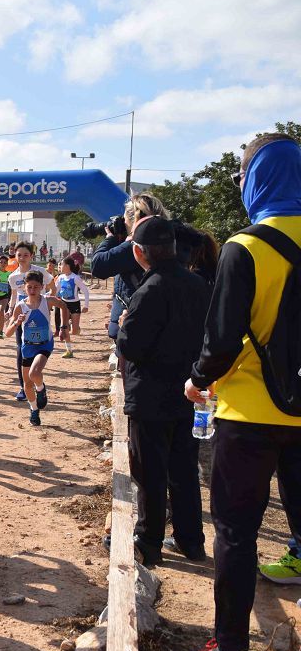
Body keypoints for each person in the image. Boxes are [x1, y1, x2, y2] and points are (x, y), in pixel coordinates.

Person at [185, 134, 301, 651]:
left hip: (250, 414)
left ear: (257, 180)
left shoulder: (245, 247)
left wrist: (197, 381)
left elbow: (222, 339)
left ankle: (228, 649)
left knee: (236, 531)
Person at [116, 217, 208, 568]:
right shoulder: (198, 285)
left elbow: (133, 347)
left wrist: (125, 326)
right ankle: (191, 540)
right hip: (188, 393)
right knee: (184, 469)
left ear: (140, 252)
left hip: (151, 398)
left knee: (149, 473)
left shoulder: (149, 290)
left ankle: (149, 541)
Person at [91, 194, 168, 343]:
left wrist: (110, 239)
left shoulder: (137, 246)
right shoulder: (168, 239)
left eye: (125, 220)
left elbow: (98, 266)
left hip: (135, 324)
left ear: (134, 220)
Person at [4, 271, 68, 426]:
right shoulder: (20, 306)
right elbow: (7, 333)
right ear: (24, 288)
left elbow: (64, 306)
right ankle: (34, 410)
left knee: (35, 373)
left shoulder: (48, 301)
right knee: (26, 383)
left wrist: (64, 326)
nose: (32, 290)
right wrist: (17, 323)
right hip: (28, 347)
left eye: (36, 287)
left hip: (44, 345)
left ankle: (41, 388)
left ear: (42, 287)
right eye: (29, 287)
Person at [7, 242, 55, 402]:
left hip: (38, 308)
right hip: (22, 310)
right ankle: (23, 386)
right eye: (18, 255)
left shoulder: (39, 271)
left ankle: (36, 378)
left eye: (25, 255)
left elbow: (51, 284)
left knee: (38, 344)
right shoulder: (12, 276)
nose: (21, 258)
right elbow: (14, 295)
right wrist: (10, 309)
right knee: (21, 348)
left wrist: (48, 299)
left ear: (31, 256)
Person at [56, 257, 91, 358]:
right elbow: (56, 291)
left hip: (74, 304)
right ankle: (69, 350)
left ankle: (75, 326)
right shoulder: (60, 277)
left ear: (67, 266)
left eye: (61, 265)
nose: (60, 267)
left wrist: (86, 306)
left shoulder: (75, 278)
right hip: (64, 305)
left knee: (74, 331)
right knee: (65, 327)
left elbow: (85, 291)